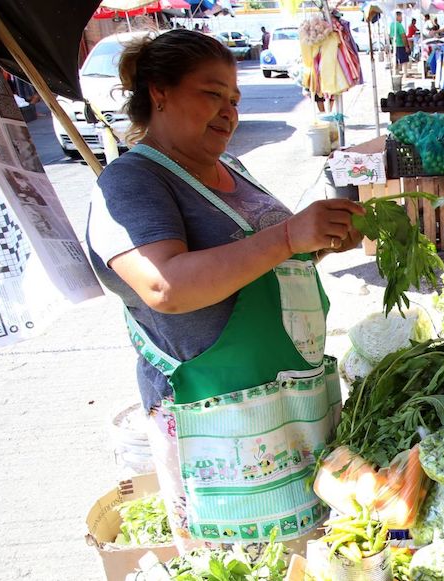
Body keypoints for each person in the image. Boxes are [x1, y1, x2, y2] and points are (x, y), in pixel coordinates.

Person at [86, 29, 363, 553]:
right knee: (245, 562)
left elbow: (261, 263)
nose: (228, 111)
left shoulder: (231, 169)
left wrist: (319, 242)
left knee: (316, 553)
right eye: (211, 94)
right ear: (158, 91)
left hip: (294, 399)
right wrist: (286, 236)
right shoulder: (132, 182)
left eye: (234, 99)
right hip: (218, 419)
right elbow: (165, 286)